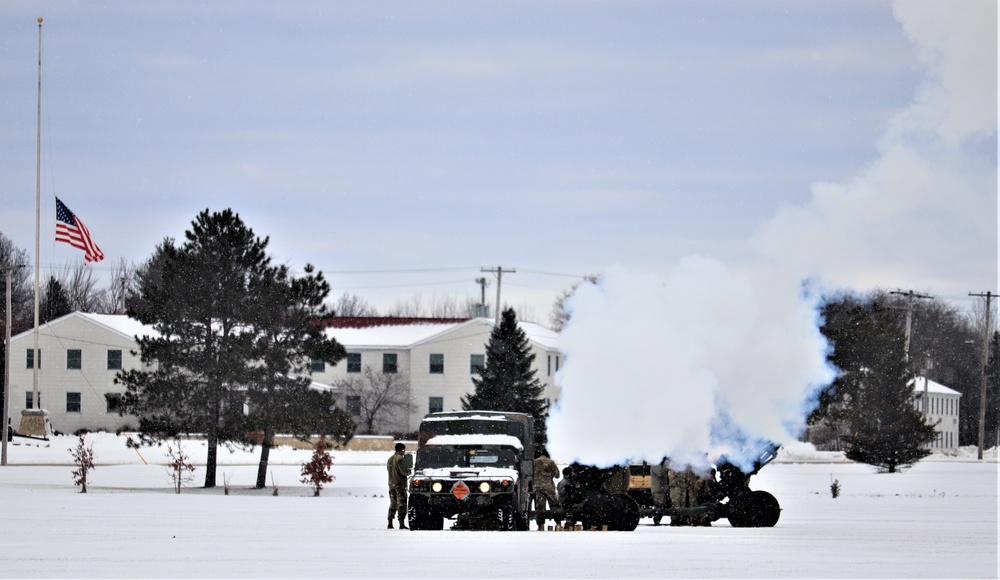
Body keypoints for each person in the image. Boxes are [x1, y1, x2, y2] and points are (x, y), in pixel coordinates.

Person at [533, 450, 560, 530]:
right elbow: (557, 475)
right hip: (549, 487)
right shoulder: (550, 462)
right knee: (554, 505)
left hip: (537, 487)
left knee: (540, 507)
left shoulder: (534, 462)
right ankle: (558, 523)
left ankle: (541, 525)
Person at [386, 442, 410, 529]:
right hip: (400, 485)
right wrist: (409, 470)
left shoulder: (390, 459)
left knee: (393, 504)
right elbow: (404, 472)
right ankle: (401, 523)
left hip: (391, 484)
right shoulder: (400, 459)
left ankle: (390, 522)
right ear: (402, 449)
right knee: (402, 504)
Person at [650, 457, 671, 526]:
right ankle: (657, 519)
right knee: (659, 505)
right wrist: (666, 464)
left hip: (662, 489)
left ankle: (658, 519)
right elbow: (660, 473)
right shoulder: (655, 465)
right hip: (657, 489)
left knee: (662, 505)